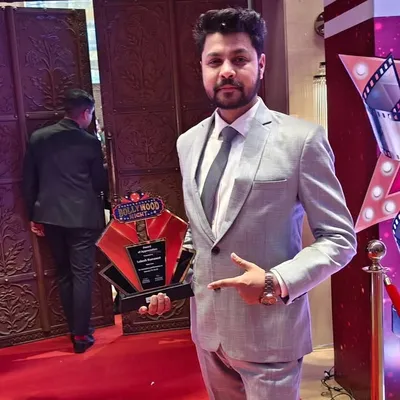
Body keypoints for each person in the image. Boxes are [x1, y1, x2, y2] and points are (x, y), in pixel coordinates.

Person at [139, 8, 357, 400]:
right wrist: (165, 283)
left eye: (239, 59)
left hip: (271, 332)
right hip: (209, 333)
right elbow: (202, 238)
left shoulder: (301, 140)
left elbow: (340, 239)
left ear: (261, 64)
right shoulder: (188, 143)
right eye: (215, 61)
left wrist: (277, 281)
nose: (226, 70)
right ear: (201, 68)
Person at [22, 89, 108, 354]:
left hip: (49, 216)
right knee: (82, 273)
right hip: (82, 217)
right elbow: (99, 182)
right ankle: (81, 335)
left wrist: (33, 215)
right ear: (86, 112)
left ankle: (74, 328)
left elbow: (29, 181)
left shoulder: (38, 138)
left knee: (64, 272)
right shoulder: (89, 142)